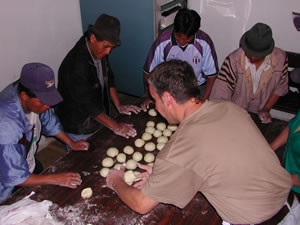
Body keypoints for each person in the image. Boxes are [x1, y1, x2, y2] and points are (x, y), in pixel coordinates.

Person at [106, 60, 292, 225]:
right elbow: (218, 158)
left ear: (168, 99)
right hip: (289, 203)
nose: (156, 106)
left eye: (155, 100)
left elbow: (141, 204)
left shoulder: (181, 148)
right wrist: (167, 178)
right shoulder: (228, 107)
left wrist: (116, 181)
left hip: (256, 219)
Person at [0, 63, 89, 203]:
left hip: (27, 162)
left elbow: (50, 121)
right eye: (43, 102)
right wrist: (56, 179)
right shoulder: (7, 127)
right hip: (5, 185)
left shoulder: (29, 93)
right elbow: (14, 176)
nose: (48, 106)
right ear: (24, 96)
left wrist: (71, 142)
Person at [56, 13, 141, 142]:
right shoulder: (76, 66)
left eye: (111, 48)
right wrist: (116, 126)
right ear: (93, 38)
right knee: (82, 159)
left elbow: (109, 77)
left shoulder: (99, 50)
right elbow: (87, 105)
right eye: (106, 46)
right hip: (78, 123)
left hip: (95, 115)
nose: (108, 52)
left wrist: (118, 105)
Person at [210, 22, 288, 124]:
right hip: (234, 112)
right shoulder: (233, 60)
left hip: (259, 115)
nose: (252, 57)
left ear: (267, 52)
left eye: (256, 55)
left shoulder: (280, 59)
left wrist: (267, 109)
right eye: (249, 52)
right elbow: (219, 95)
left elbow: (280, 88)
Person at [141, 8, 218, 110]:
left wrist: (205, 99)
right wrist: (149, 96)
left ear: (195, 32)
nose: (182, 42)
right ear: (174, 29)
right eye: (178, 37)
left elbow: (212, 76)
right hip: (170, 87)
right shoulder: (162, 42)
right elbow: (148, 73)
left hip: (197, 87)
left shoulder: (204, 42)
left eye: (187, 39)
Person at [271, 112, 300, 199]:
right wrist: (270, 149)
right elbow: (292, 127)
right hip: (287, 170)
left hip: (296, 190)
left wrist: (276, 177)